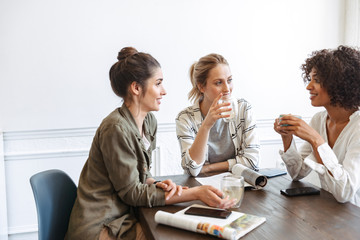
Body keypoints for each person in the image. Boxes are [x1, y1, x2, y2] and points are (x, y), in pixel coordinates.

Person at [65, 47, 236, 240]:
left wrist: (157, 183)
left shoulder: (148, 122)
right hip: (100, 226)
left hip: (123, 217)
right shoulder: (115, 128)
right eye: (158, 84)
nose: (164, 91)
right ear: (136, 88)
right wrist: (196, 193)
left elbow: (141, 176)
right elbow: (132, 193)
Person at [274, 45, 360, 206]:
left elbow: (345, 192)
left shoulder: (358, 128)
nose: (308, 86)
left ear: (338, 84)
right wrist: (287, 138)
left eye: (317, 80)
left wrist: (316, 139)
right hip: (327, 212)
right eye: (310, 79)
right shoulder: (319, 120)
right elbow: (297, 173)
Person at [176, 53, 260, 177]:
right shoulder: (186, 118)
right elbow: (193, 169)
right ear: (201, 87)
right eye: (218, 83)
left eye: (229, 80)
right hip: (201, 187)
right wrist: (206, 126)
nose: (227, 89)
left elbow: (252, 161)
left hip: (236, 183)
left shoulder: (243, 109)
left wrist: (209, 168)